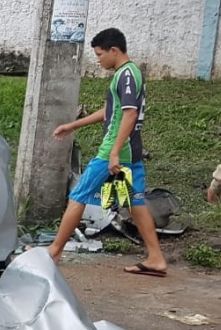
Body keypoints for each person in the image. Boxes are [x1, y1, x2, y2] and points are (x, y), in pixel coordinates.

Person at [50, 27, 166, 277]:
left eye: (100, 54)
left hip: (115, 150)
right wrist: (73, 125)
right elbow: (109, 112)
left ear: (115, 50)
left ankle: (54, 251)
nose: (98, 59)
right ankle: (156, 258)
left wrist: (114, 152)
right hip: (131, 150)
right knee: (136, 201)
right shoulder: (128, 74)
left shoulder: (126, 75)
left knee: (79, 195)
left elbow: (129, 113)